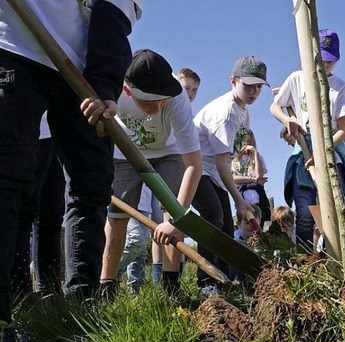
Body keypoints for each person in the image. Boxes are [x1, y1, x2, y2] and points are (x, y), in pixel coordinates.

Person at [0, 1, 142, 342]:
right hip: (14, 44)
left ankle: (81, 305)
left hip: (84, 75)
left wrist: (106, 87)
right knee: (6, 175)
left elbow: (114, 14)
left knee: (93, 187)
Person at [101, 49, 202, 298]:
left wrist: (175, 219)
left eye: (162, 100)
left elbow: (194, 165)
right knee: (117, 217)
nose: (158, 107)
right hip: (126, 151)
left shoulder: (177, 99)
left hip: (169, 152)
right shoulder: (114, 88)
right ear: (128, 91)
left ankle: (170, 288)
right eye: (149, 102)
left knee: (174, 213)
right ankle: (106, 287)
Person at [270, 28, 345, 252]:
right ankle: (306, 263)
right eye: (319, 59)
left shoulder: (341, 88)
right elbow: (275, 106)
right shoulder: (297, 79)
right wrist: (287, 121)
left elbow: (344, 131)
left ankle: (339, 259)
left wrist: (321, 152)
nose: (323, 65)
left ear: (336, 61)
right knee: (306, 216)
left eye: (328, 62)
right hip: (303, 153)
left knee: (334, 212)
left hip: (330, 152)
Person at [192, 56, 269, 297]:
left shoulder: (243, 112)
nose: (254, 92)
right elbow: (221, 162)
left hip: (213, 173)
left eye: (259, 87)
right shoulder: (225, 113)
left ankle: (223, 279)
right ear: (233, 81)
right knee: (212, 217)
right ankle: (206, 282)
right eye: (249, 85)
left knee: (226, 225)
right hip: (194, 168)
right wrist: (239, 199)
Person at [150, 67, 202, 285]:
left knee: (170, 219)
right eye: (186, 88)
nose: (189, 93)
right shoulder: (166, 100)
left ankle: (170, 281)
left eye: (194, 90)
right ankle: (155, 278)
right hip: (147, 156)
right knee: (156, 224)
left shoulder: (186, 114)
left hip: (174, 161)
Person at [11, 113, 66, 299]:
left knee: (53, 213)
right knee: (25, 212)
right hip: (24, 130)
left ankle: (50, 290)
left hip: (55, 131)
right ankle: (20, 291)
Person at [232, 129, 271, 226]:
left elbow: (259, 175)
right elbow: (234, 179)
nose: (245, 144)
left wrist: (255, 153)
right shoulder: (235, 159)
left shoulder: (258, 157)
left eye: (248, 141)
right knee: (245, 224)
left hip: (258, 199)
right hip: (243, 197)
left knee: (259, 224)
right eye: (243, 141)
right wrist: (252, 180)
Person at [229, 205, 262, 283]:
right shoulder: (237, 243)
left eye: (254, 223)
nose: (251, 226)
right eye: (247, 223)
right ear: (239, 224)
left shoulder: (262, 242)